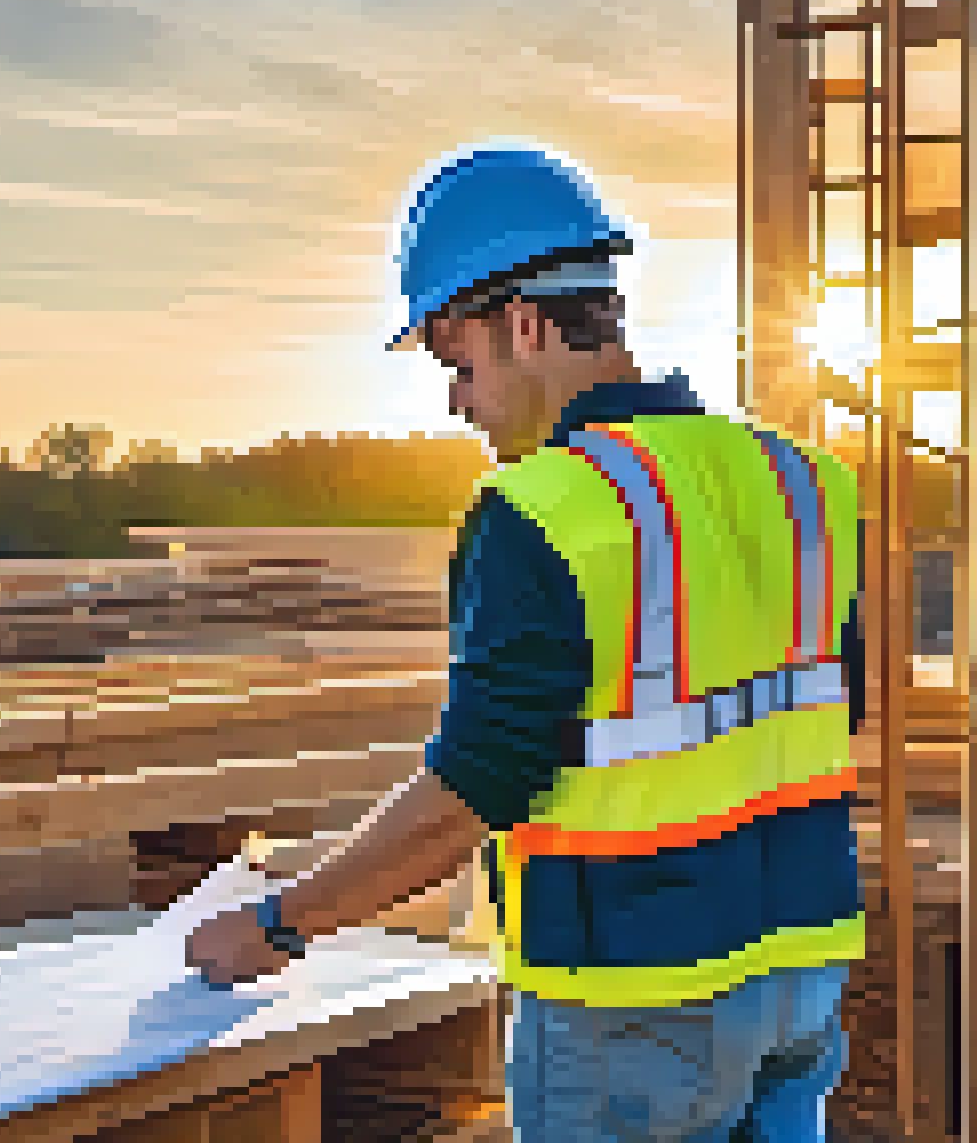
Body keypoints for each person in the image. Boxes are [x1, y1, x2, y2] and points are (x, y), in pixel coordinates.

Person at [184, 145, 867, 1142]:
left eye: (459, 367)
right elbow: (829, 710)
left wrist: (278, 923)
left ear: (527, 324)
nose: (457, 403)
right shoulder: (801, 480)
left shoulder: (542, 511)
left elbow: (467, 796)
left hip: (633, 1007)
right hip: (799, 979)